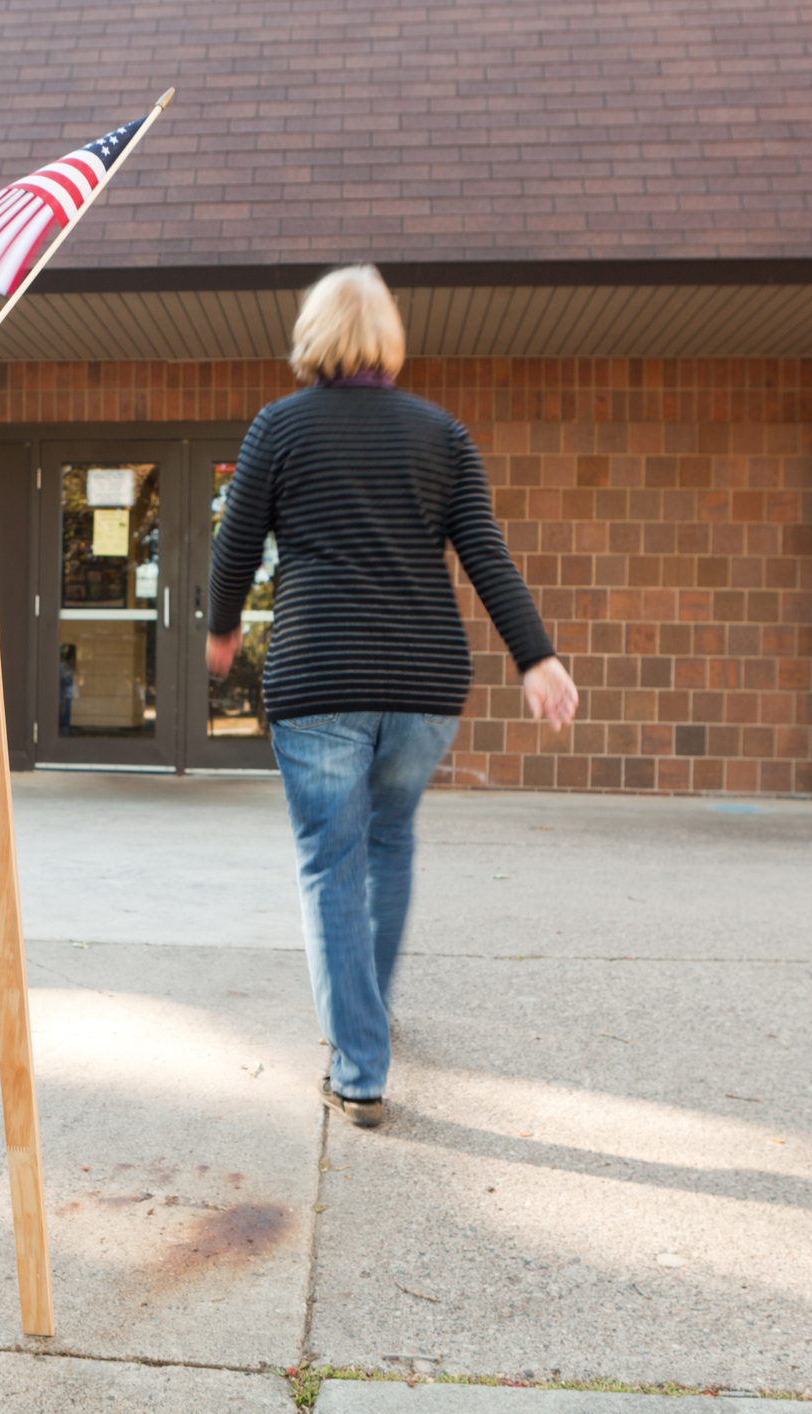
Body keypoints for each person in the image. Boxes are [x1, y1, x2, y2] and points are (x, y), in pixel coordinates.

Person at [206, 264, 578, 1128]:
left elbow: (234, 548)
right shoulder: (440, 434)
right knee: (388, 843)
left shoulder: (279, 428)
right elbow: (485, 552)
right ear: (388, 337)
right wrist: (537, 658)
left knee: (330, 863)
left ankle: (360, 1063)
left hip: (320, 673)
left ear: (312, 334)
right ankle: (365, 1022)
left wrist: (221, 631)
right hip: (423, 683)